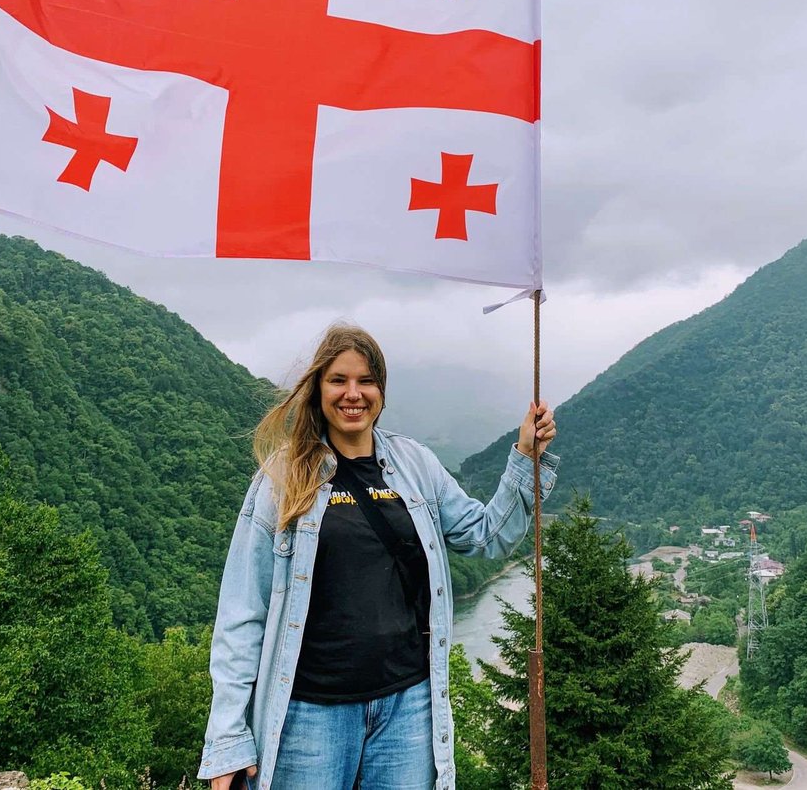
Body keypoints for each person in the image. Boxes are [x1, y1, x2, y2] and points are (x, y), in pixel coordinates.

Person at [198, 323, 559, 790]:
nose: (353, 394)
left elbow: (483, 535)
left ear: (381, 391)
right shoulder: (283, 478)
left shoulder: (415, 465)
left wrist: (524, 456)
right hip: (310, 714)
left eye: (366, 381)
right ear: (318, 390)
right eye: (339, 380)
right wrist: (228, 738)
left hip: (408, 708)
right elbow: (242, 612)